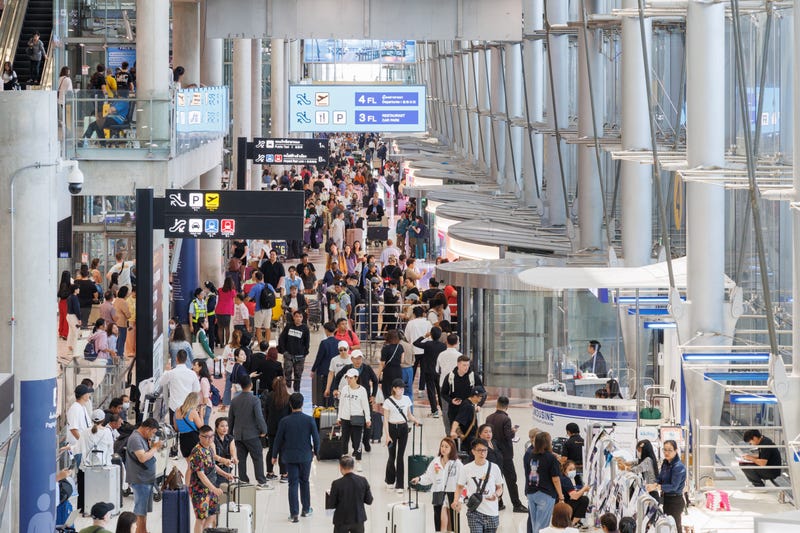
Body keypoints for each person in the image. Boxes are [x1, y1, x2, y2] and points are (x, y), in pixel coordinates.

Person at [272, 392, 321, 523]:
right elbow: (316, 438)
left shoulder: (284, 421)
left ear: (290, 404)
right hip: (305, 456)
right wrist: (317, 452)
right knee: (305, 481)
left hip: (289, 456)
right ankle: (306, 509)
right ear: (302, 404)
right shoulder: (309, 420)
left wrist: (274, 455)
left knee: (292, 484)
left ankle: (294, 514)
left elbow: (278, 440)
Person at [188, 425, 234, 533]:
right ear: (200, 436)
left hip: (210, 487)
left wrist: (225, 474)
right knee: (201, 518)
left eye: (212, 436)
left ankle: (205, 531)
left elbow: (213, 465)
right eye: (206, 437)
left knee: (212, 515)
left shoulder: (209, 448)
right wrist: (214, 488)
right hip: (199, 490)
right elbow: (201, 475)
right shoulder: (197, 452)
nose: (210, 439)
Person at [451, 438, 504, 533]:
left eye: (485, 450)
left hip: (492, 511)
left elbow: (500, 488)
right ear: (473, 451)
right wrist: (456, 501)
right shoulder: (466, 468)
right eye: (479, 450)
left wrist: (496, 495)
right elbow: (459, 487)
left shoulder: (494, 468)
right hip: (474, 511)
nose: (482, 453)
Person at [411, 437, 463, 532]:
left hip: (453, 495)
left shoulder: (457, 464)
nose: (443, 448)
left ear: (452, 448)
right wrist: (419, 479)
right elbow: (429, 476)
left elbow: (463, 483)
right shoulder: (436, 461)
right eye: (442, 446)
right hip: (438, 494)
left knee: (453, 524)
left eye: (446, 446)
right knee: (440, 522)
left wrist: (460, 499)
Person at [228, 375, 271, 489]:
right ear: (251, 385)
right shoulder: (254, 399)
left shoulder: (234, 400)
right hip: (252, 434)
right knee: (257, 458)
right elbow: (259, 417)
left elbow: (230, 419)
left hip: (238, 435)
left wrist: (230, 434)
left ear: (241, 386)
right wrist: (264, 430)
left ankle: (243, 480)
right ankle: (261, 482)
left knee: (241, 459)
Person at [486, 396, 527, 513]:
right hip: (506, 455)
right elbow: (508, 435)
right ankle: (516, 504)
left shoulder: (489, 418)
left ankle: (498, 503)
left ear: (497, 404)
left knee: (497, 479)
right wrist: (513, 432)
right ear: (507, 406)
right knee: (511, 479)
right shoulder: (506, 419)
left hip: (493, 453)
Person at [383, 378, 422, 493]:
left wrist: (416, 421)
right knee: (392, 456)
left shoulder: (406, 399)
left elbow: (409, 415)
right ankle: (390, 480)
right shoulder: (388, 402)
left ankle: (400, 484)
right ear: (394, 389)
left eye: (403, 388)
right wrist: (387, 435)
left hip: (403, 428)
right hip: (392, 428)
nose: (402, 390)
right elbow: (385, 420)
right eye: (399, 388)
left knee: (400, 457)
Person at [126, 418, 163, 533]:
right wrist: (155, 448)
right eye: (152, 432)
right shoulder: (135, 439)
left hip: (145, 479)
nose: (153, 435)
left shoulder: (142, 437)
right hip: (140, 479)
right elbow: (142, 458)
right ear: (147, 429)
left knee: (143, 511)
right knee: (140, 511)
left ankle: (143, 530)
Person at [525, 431, 565, 533]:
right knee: (542, 526)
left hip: (531, 492)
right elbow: (555, 479)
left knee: (534, 523)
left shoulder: (528, 455)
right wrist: (561, 496)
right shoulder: (551, 458)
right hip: (545, 494)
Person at [326, 455, 374, 533]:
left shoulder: (336, 484)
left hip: (341, 520)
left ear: (340, 467)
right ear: (353, 466)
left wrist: (330, 496)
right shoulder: (363, 481)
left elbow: (331, 505)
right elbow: (369, 501)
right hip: (358, 519)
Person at [646, 440, 686, 532]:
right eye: (665, 450)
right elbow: (660, 477)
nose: (666, 452)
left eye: (670, 450)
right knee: (667, 525)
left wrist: (658, 487)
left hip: (675, 501)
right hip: (666, 499)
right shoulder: (665, 463)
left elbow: (674, 486)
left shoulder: (678, 467)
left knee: (675, 526)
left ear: (676, 451)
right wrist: (654, 483)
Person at [337, 368, 372, 471]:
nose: (349, 380)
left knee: (357, 441)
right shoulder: (344, 389)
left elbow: (366, 406)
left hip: (358, 418)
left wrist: (368, 419)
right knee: (344, 440)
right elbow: (341, 404)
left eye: (351, 378)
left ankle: (358, 461)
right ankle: (344, 461)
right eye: (347, 378)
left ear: (356, 378)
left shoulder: (362, 390)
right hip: (345, 418)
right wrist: (339, 417)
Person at [441, 355, 486, 435]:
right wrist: (451, 401)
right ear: (458, 364)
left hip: (469, 410)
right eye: (464, 365)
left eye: (468, 365)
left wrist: (479, 405)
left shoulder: (473, 376)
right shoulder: (450, 377)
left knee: (471, 435)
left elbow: (483, 393)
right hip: (454, 411)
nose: (466, 367)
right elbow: (443, 393)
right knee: (454, 434)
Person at [157, 349, 200, 425]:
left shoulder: (171, 373)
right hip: (188, 407)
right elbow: (197, 389)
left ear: (176, 359)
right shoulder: (192, 373)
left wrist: (166, 370)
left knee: (174, 429)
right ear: (186, 359)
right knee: (187, 428)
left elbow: (161, 382)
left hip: (174, 407)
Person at [413, 326, 446, 418]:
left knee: (431, 392)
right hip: (439, 372)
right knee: (440, 392)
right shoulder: (443, 346)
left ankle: (434, 411)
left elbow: (415, 343)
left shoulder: (428, 344)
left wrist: (424, 336)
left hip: (429, 371)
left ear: (431, 334)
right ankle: (443, 410)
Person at [264, 376, 291, 482]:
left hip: (271, 428)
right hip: (285, 430)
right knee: (283, 451)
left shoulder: (269, 396)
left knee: (271, 450)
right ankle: (284, 474)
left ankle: (269, 473)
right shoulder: (288, 398)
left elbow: (265, 412)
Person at [278, 310, 311, 392]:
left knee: (298, 375)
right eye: (296, 316)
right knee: (287, 372)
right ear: (293, 317)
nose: (298, 319)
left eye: (300, 317)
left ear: (302, 318)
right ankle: (288, 389)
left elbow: (307, 342)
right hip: (288, 354)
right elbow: (282, 339)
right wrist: (284, 351)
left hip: (300, 356)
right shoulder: (289, 326)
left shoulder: (305, 328)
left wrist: (304, 353)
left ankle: (297, 391)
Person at [311, 322, 340, 406]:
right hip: (337, 370)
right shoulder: (340, 342)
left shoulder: (324, 343)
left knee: (326, 390)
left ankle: (326, 408)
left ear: (326, 330)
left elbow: (319, 358)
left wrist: (313, 370)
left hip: (326, 372)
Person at [450, 387, 484, 453]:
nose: (481, 398)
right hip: (469, 440)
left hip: (470, 438)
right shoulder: (467, 406)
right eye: (481, 396)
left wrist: (474, 410)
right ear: (475, 396)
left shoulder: (470, 404)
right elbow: (457, 420)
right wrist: (453, 431)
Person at [558, 461, 589, 528]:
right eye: (570, 469)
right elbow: (574, 496)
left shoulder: (564, 478)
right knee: (584, 500)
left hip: (561, 503)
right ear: (564, 470)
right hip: (563, 505)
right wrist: (584, 489)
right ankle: (572, 524)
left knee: (580, 498)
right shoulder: (565, 480)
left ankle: (575, 522)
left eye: (574, 469)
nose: (573, 471)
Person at [175, 392, 203, 458]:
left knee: (189, 464)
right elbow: (202, 427)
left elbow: (176, 428)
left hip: (182, 439)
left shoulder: (177, 410)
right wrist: (201, 413)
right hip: (193, 439)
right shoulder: (193, 412)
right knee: (196, 464)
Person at [211, 417, 237, 486]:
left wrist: (234, 457)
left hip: (227, 468)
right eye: (222, 426)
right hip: (215, 469)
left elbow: (232, 451)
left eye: (226, 426)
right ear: (216, 428)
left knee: (226, 489)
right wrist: (223, 460)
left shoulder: (230, 438)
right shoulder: (212, 439)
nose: (225, 428)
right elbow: (214, 455)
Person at [216, 277, 236, 348]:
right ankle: (226, 343)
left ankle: (221, 343)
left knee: (220, 328)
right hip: (227, 312)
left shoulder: (220, 290)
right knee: (227, 328)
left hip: (219, 311)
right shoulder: (233, 292)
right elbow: (233, 302)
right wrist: (233, 311)